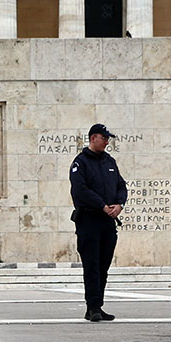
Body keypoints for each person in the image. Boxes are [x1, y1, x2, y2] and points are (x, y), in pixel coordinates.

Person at [69, 122, 126, 322]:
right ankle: (92, 307)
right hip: (89, 220)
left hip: (108, 221)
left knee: (103, 266)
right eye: (104, 138)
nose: (107, 141)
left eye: (108, 138)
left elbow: (121, 185)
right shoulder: (81, 163)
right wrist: (101, 205)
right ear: (93, 138)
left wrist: (119, 204)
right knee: (92, 265)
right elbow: (80, 190)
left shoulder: (109, 161)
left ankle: (98, 306)